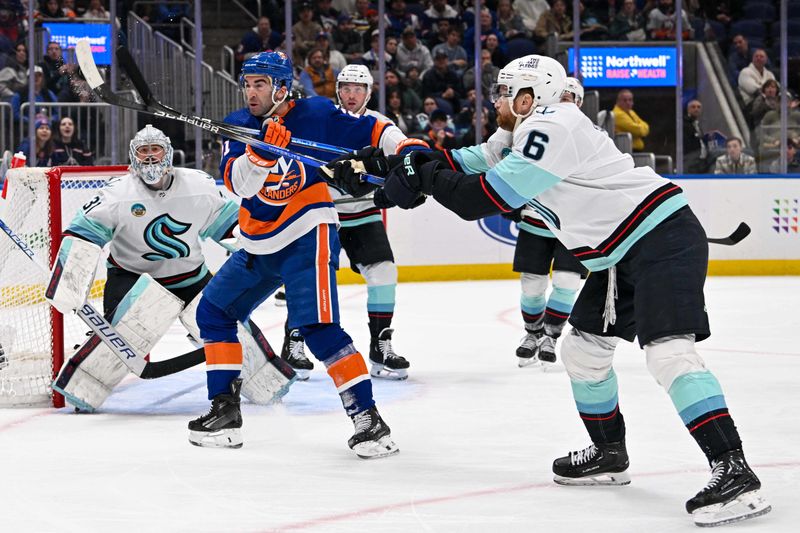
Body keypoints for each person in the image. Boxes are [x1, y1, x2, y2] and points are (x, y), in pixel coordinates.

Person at [330, 54, 771, 527]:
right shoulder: (520, 132)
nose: (495, 100)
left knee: (669, 354)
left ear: (528, 97)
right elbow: (456, 163)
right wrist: (382, 163)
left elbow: (477, 198)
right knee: (582, 353)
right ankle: (609, 453)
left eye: (504, 92)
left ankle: (734, 470)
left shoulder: (554, 125)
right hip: (621, 251)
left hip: (660, 238)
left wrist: (422, 177)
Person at [190, 51, 399, 458]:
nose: (251, 92)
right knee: (213, 313)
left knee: (319, 330)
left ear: (282, 88)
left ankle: (369, 420)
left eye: (260, 84)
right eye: (247, 84)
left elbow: (368, 128)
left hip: (307, 233)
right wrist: (262, 154)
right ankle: (224, 412)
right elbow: (240, 185)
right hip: (257, 241)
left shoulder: (317, 112)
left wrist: (403, 146)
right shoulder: (239, 124)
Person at [53, 125, 242, 411]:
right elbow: (82, 235)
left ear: (169, 154)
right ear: (133, 157)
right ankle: (83, 390)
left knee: (231, 333)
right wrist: (69, 281)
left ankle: (256, 379)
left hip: (191, 279)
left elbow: (233, 228)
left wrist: (257, 256)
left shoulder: (199, 185)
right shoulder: (117, 194)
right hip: (131, 278)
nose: (151, 157)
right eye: (144, 151)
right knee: (117, 342)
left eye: (156, 150)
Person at [280, 64, 428, 382]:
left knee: (384, 271)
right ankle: (294, 343)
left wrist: (417, 163)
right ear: (337, 91)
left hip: (363, 213)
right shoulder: (322, 121)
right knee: (309, 278)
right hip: (322, 214)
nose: (351, 95)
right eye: (346, 88)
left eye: (358, 89)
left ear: (369, 93)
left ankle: (381, 344)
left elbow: (402, 148)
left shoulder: (378, 125)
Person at [508, 76, 587, 367]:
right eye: (561, 97)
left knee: (567, 281)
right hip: (535, 221)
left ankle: (551, 336)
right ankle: (532, 333)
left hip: (573, 226)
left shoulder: (590, 134)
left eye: (570, 98)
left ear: (579, 103)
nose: (565, 102)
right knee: (532, 284)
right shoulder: (533, 128)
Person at [684, 99, 709, 174]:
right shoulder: (684, 123)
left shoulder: (699, 123)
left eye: (698, 107)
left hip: (702, 159)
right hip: (690, 159)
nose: (696, 109)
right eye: (693, 107)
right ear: (688, 109)